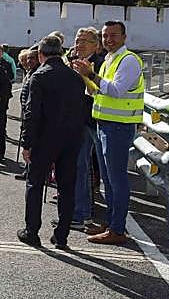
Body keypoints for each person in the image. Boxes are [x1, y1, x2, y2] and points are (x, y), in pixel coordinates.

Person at [72, 20, 144, 246]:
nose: (109, 40)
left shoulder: (129, 60)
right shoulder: (109, 61)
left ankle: (117, 229)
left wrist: (91, 75)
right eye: (105, 36)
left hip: (118, 127)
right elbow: (96, 92)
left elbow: (116, 91)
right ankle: (113, 223)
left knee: (117, 179)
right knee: (109, 180)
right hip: (104, 124)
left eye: (113, 35)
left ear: (124, 37)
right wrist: (85, 75)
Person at [18, 36, 85, 250]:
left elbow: (31, 113)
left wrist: (27, 144)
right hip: (71, 138)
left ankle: (32, 231)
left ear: (41, 54)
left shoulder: (39, 76)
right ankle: (62, 235)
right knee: (67, 186)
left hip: (44, 138)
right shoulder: (75, 77)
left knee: (35, 184)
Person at [69, 27, 107, 231]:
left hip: (99, 121)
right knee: (79, 167)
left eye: (84, 40)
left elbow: (101, 91)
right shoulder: (74, 63)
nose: (79, 44)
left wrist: (86, 74)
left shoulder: (101, 63)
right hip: (81, 121)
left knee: (101, 170)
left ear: (96, 44)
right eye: (77, 39)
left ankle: (108, 220)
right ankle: (80, 213)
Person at [13, 48, 39, 180]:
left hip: (31, 113)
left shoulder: (37, 74)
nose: (27, 62)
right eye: (25, 59)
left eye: (31, 59)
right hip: (26, 111)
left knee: (31, 142)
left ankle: (30, 171)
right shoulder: (29, 73)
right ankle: (28, 169)